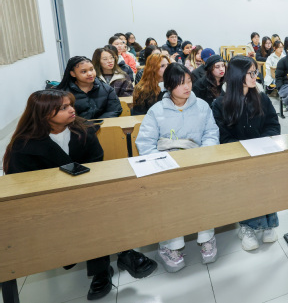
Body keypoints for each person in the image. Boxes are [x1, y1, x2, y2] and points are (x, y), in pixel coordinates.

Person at [3, 90, 157, 300]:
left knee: (103, 205)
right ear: (44, 114)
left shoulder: (83, 129)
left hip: (86, 192)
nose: (72, 110)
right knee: (90, 215)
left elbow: (97, 160)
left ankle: (105, 267)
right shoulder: (23, 145)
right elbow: (21, 184)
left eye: (70, 105)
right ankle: (121, 254)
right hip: (48, 204)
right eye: (63, 108)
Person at [136, 63, 219, 272]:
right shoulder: (157, 111)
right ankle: (170, 245)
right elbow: (145, 143)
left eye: (189, 81)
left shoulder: (202, 106)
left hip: (196, 160)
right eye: (181, 83)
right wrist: (160, 163)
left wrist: (203, 154)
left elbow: (211, 133)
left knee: (204, 193)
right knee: (170, 199)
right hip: (167, 164)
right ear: (168, 85)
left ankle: (207, 238)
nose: (187, 87)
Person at [211, 57, 281, 251]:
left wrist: (261, 145)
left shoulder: (261, 97)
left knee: (266, 184)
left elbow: (273, 125)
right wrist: (245, 151)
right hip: (237, 157)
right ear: (237, 75)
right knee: (247, 185)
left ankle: (268, 224)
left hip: (261, 152)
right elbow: (223, 137)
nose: (255, 76)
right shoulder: (220, 104)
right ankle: (248, 226)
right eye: (251, 73)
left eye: (255, 72)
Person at [56, 56, 122, 120]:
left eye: (91, 69)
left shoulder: (107, 89)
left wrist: (97, 123)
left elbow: (114, 110)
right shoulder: (63, 93)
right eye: (84, 71)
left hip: (103, 125)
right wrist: (84, 124)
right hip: (76, 126)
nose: (90, 74)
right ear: (73, 74)